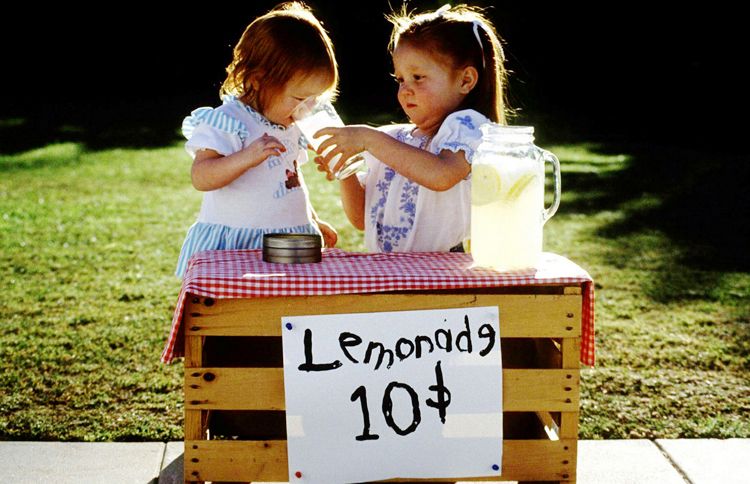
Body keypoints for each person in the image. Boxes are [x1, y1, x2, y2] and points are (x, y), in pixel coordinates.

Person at [314, 4, 510, 253]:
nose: (406, 89)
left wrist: (368, 138)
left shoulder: (469, 129)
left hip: (448, 281)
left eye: (418, 77)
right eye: (400, 79)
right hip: (393, 280)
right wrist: (346, 169)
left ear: (465, 80)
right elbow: (362, 218)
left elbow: (441, 175)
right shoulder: (392, 140)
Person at [175, 2, 338, 277]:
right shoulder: (230, 120)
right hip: (239, 244)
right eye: (300, 98)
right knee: (236, 314)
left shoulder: (290, 124)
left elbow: (289, 181)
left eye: (315, 99)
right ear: (258, 80)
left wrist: (311, 219)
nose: (307, 108)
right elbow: (201, 176)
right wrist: (246, 157)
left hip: (288, 241)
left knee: (284, 312)